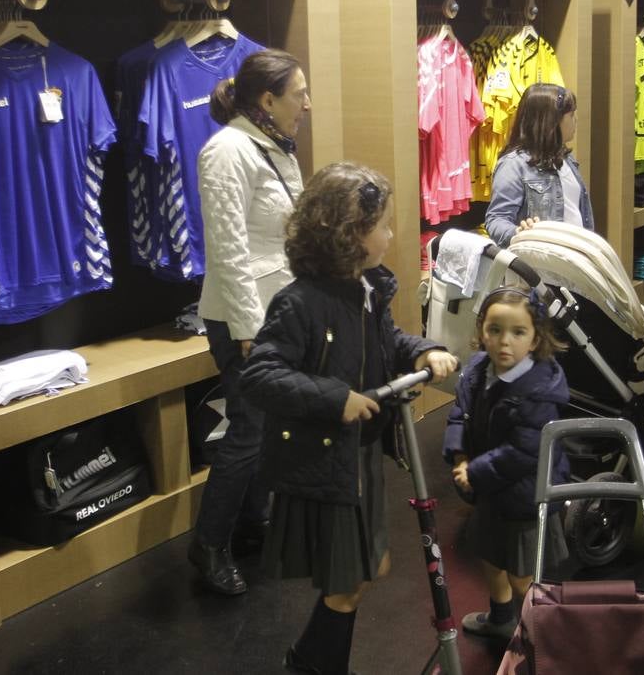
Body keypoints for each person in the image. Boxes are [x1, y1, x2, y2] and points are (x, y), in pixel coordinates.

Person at [242, 162, 459, 675]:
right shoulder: (299, 303)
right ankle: (314, 667)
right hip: (324, 462)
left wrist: (422, 350)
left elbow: (386, 345)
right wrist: (334, 397)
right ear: (350, 234)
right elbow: (259, 375)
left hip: (357, 455)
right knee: (350, 580)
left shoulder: (368, 288)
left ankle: (311, 662)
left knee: (367, 570)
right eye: (382, 224)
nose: (390, 234)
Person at [188, 48, 310, 596]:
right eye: (298, 94)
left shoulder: (275, 147)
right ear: (267, 100)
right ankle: (208, 545)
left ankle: (252, 520)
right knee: (249, 429)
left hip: (278, 311)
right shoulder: (227, 150)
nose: (306, 103)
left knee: (270, 428)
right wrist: (247, 329)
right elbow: (228, 249)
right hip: (245, 318)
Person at [443, 287, 570, 641]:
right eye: (495, 329)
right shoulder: (478, 370)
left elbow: (523, 451)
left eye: (518, 332)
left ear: (535, 339)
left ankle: (539, 633)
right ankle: (501, 618)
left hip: (524, 498)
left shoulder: (538, 390)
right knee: (488, 554)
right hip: (490, 492)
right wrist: (459, 454)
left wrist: (474, 472)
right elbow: (459, 414)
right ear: (482, 330)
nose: (504, 342)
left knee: (522, 574)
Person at [485, 83, 593, 247]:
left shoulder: (566, 158)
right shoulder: (513, 165)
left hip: (574, 261)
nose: (575, 120)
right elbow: (497, 219)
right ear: (552, 121)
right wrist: (518, 233)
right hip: (539, 265)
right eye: (571, 115)